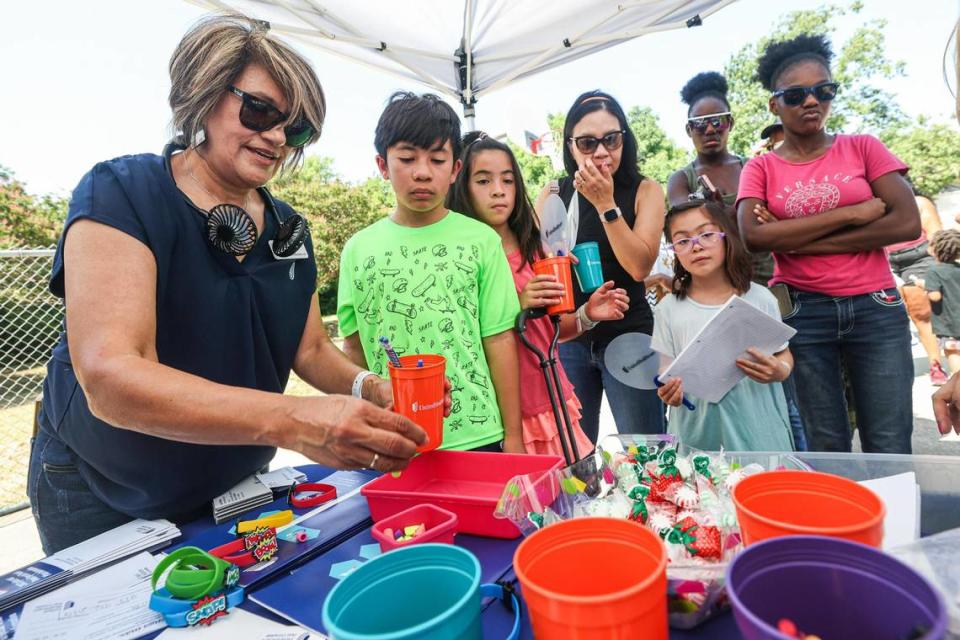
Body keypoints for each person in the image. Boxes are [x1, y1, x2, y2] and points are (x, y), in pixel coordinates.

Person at [28, 16, 434, 554]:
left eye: (295, 129)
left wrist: (372, 389)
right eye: (260, 110)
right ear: (204, 90)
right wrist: (291, 421)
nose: (275, 137)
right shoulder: (122, 192)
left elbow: (310, 348)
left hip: (232, 486)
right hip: (104, 490)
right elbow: (110, 372)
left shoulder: (289, 228)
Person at [737, 34, 921, 453]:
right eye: (796, 94)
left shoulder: (863, 147)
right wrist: (854, 213)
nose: (811, 101)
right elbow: (755, 236)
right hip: (805, 309)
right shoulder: (761, 167)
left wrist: (797, 239)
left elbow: (907, 222)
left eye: (823, 90)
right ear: (774, 104)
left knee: (889, 439)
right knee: (825, 443)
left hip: (875, 305)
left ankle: (889, 521)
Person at [337, 93, 523, 454]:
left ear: (455, 169)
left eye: (437, 160)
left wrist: (512, 435)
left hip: (478, 436)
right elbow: (353, 347)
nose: (422, 172)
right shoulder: (358, 250)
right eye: (406, 158)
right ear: (382, 164)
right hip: (391, 439)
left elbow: (499, 340)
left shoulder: (481, 241)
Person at [447, 132, 632, 457]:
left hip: (551, 400)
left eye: (508, 180)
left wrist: (589, 313)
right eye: (483, 180)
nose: (498, 190)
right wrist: (517, 307)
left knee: (569, 502)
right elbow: (462, 340)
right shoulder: (459, 257)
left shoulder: (535, 251)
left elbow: (555, 330)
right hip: (502, 417)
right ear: (462, 187)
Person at [536, 90, 666, 441]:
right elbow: (537, 264)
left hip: (629, 337)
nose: (601, 152)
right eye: (587, 142)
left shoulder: (645, 190)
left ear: (624, 138)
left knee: (646, 451)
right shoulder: (552, 193)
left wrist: (606, 204)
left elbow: (639, 267)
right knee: (575, 454)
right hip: (571, 337)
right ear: (570, 146)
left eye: (611, 139)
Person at [653, 200, 794, 451]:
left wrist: (780, 371)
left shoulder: (760, 298)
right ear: (673, 250)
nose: (696, 247)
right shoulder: (668, 309)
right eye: (683, 241)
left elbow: (782, 352)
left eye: (706, 234)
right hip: (695, 437)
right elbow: (666, 371)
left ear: (726, 237)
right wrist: (669, 392)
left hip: (759, 433)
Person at [668, 71, 774, 287]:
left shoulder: (754, 168)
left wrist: (715, 218)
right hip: (717, 289)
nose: (709, 129)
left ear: (730, 123)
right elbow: (686, 228)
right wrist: (736, 217)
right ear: (689, 129)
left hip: (770, 283)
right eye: (699, 123)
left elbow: (775, 224)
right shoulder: (680, 179)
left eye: (718, 122)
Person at [887, 183, 947, 384]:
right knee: (890, 316)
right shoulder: (873, 206)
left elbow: (936, 237)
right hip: (884, 259)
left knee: (920, 313)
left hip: (918, 258)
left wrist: (941, 273)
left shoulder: (919, 203)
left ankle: (935, 364)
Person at [923, 230, 960, 408]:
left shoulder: (933, 272)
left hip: (948, 324)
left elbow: (935, 296)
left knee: (953, 354)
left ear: (935, 250)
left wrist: (925, 288)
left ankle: (958, 386)